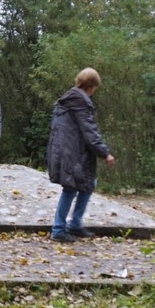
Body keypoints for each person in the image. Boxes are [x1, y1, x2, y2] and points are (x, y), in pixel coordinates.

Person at [46, 67, 115, 241]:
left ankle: (75, 224)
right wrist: (105, 153)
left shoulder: (66, 100)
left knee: (89, 183)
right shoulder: (81, 102)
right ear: (91, 86)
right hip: (72, 152)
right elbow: (90, 132)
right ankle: (59, 230)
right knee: (70, 189)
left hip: (63, 150)